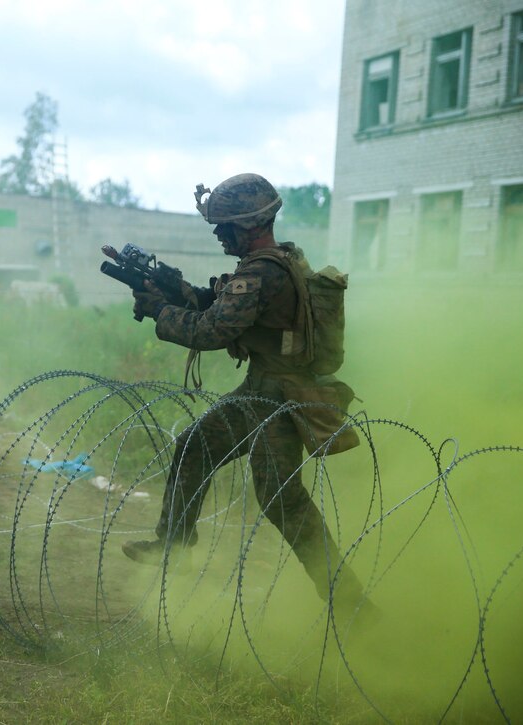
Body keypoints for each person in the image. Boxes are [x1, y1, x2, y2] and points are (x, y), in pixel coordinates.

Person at [122, 173, 373, 615]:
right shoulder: (281, 260)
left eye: (225, 226)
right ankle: (174, 547)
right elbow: (219, 306)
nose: (219, 234)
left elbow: (213, 329)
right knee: (195, 447)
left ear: (251, 225)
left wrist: (161, 310)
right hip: (264, 390)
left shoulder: (260, 272)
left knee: (284, 504)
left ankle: (351, 604)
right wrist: (171, 287)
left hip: (275, 398)